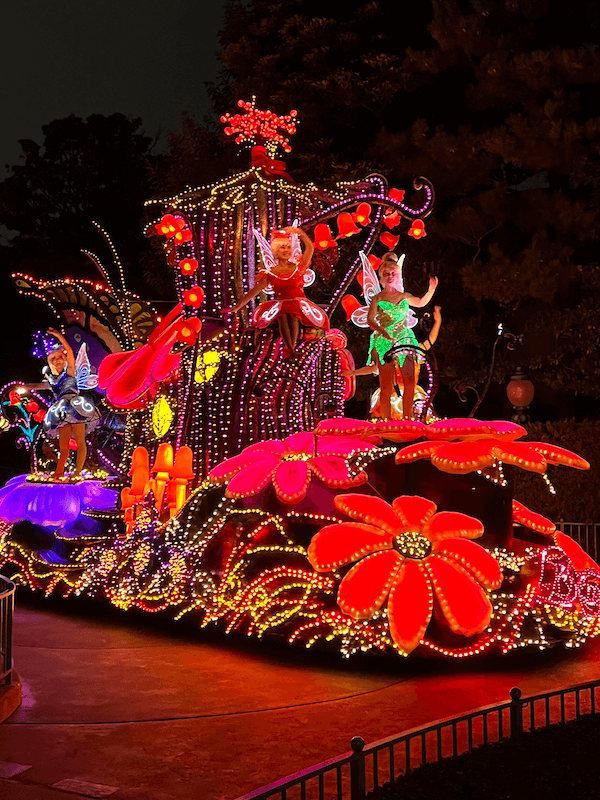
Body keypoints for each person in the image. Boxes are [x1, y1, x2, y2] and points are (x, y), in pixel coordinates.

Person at [355, 252, 438, 419]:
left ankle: (408, 419)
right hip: (385, 341)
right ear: (382, 278)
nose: (390, 276)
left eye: (393, 273)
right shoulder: (377, 298)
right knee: (385, 386)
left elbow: (421, 302)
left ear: (397, 274)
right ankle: (386, 421)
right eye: (387, 274)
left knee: (409, 383)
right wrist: (382, 331)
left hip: (404, 340)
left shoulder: (404, 297)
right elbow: (370, 320)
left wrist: (431, 290)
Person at [222, 226, 329, 354]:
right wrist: (237, 307)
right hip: (281, 305)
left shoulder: (298, 268)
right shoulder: (270, 274)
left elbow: (310, 248)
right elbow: (253, 292)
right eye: (283, 247)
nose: (286, 250)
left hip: (298, 303)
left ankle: (291, 348)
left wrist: (300, 233)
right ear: (276, 251)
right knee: (282, 314)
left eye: (289, 247)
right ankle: (290, 348)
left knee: (292, 314)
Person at [18, 328, 100, 479]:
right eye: (54, 358)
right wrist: (21, 387)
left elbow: (68, 350)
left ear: (64, 359)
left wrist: (58, 336)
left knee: (80, 441)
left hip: (76, 407)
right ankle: (59, 471)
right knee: (63, 446)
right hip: (60, 411)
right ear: (50, 362)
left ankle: (77, 472)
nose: (57, 360)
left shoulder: (70, 372)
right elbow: (37, 386)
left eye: (60, 357)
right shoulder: (51, 380)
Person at [344, 306, 442, 420]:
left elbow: (430, 340)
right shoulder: (386, 356)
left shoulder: (414, 353)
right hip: (391, 395)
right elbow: (373, 368)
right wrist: (352, 373)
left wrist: (438, 321)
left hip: (413, 395)